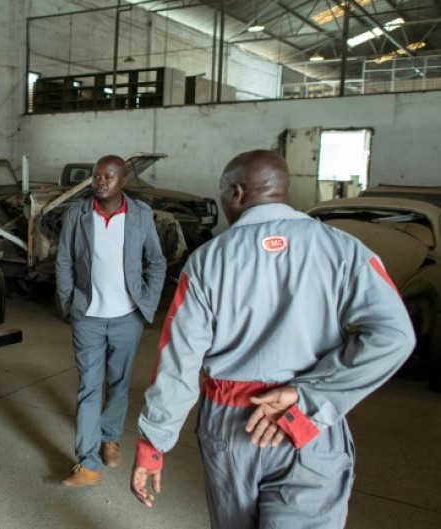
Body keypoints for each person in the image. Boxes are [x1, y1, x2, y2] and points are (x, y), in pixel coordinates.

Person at [130, 149, 415, 527]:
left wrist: (154, 444)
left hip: (231, 429)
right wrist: (311, 397)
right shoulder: (344, 249)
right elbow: (395, 335)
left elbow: (177, 362)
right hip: (308, 426)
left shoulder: (207, 260)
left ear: (236, 193)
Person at [56, 154, 167, 487]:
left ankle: (110, 438)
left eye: (109, 177)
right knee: (89, 387)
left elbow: (158, 262)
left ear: (123, 182)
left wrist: (147, 300)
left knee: (118, 385)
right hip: (87, 316)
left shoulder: (139, 216)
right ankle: (88, 463)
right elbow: (63, 261)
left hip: (126, 318)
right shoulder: (77, 215)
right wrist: (68, 302)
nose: (100, 182)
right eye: (96, 176)